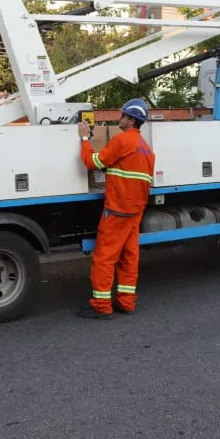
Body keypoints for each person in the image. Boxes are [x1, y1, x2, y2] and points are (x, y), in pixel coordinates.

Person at [77, 98, 156, 319]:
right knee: (129, 257)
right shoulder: (146, 148)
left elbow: (93, 162)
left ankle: (101, 306)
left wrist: (84, 137)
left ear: (131, 120)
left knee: (105, 257)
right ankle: (126, 302)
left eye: (122, 115)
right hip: (135, 210)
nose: (119, 118)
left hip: (118, 209)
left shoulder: (123, 141)